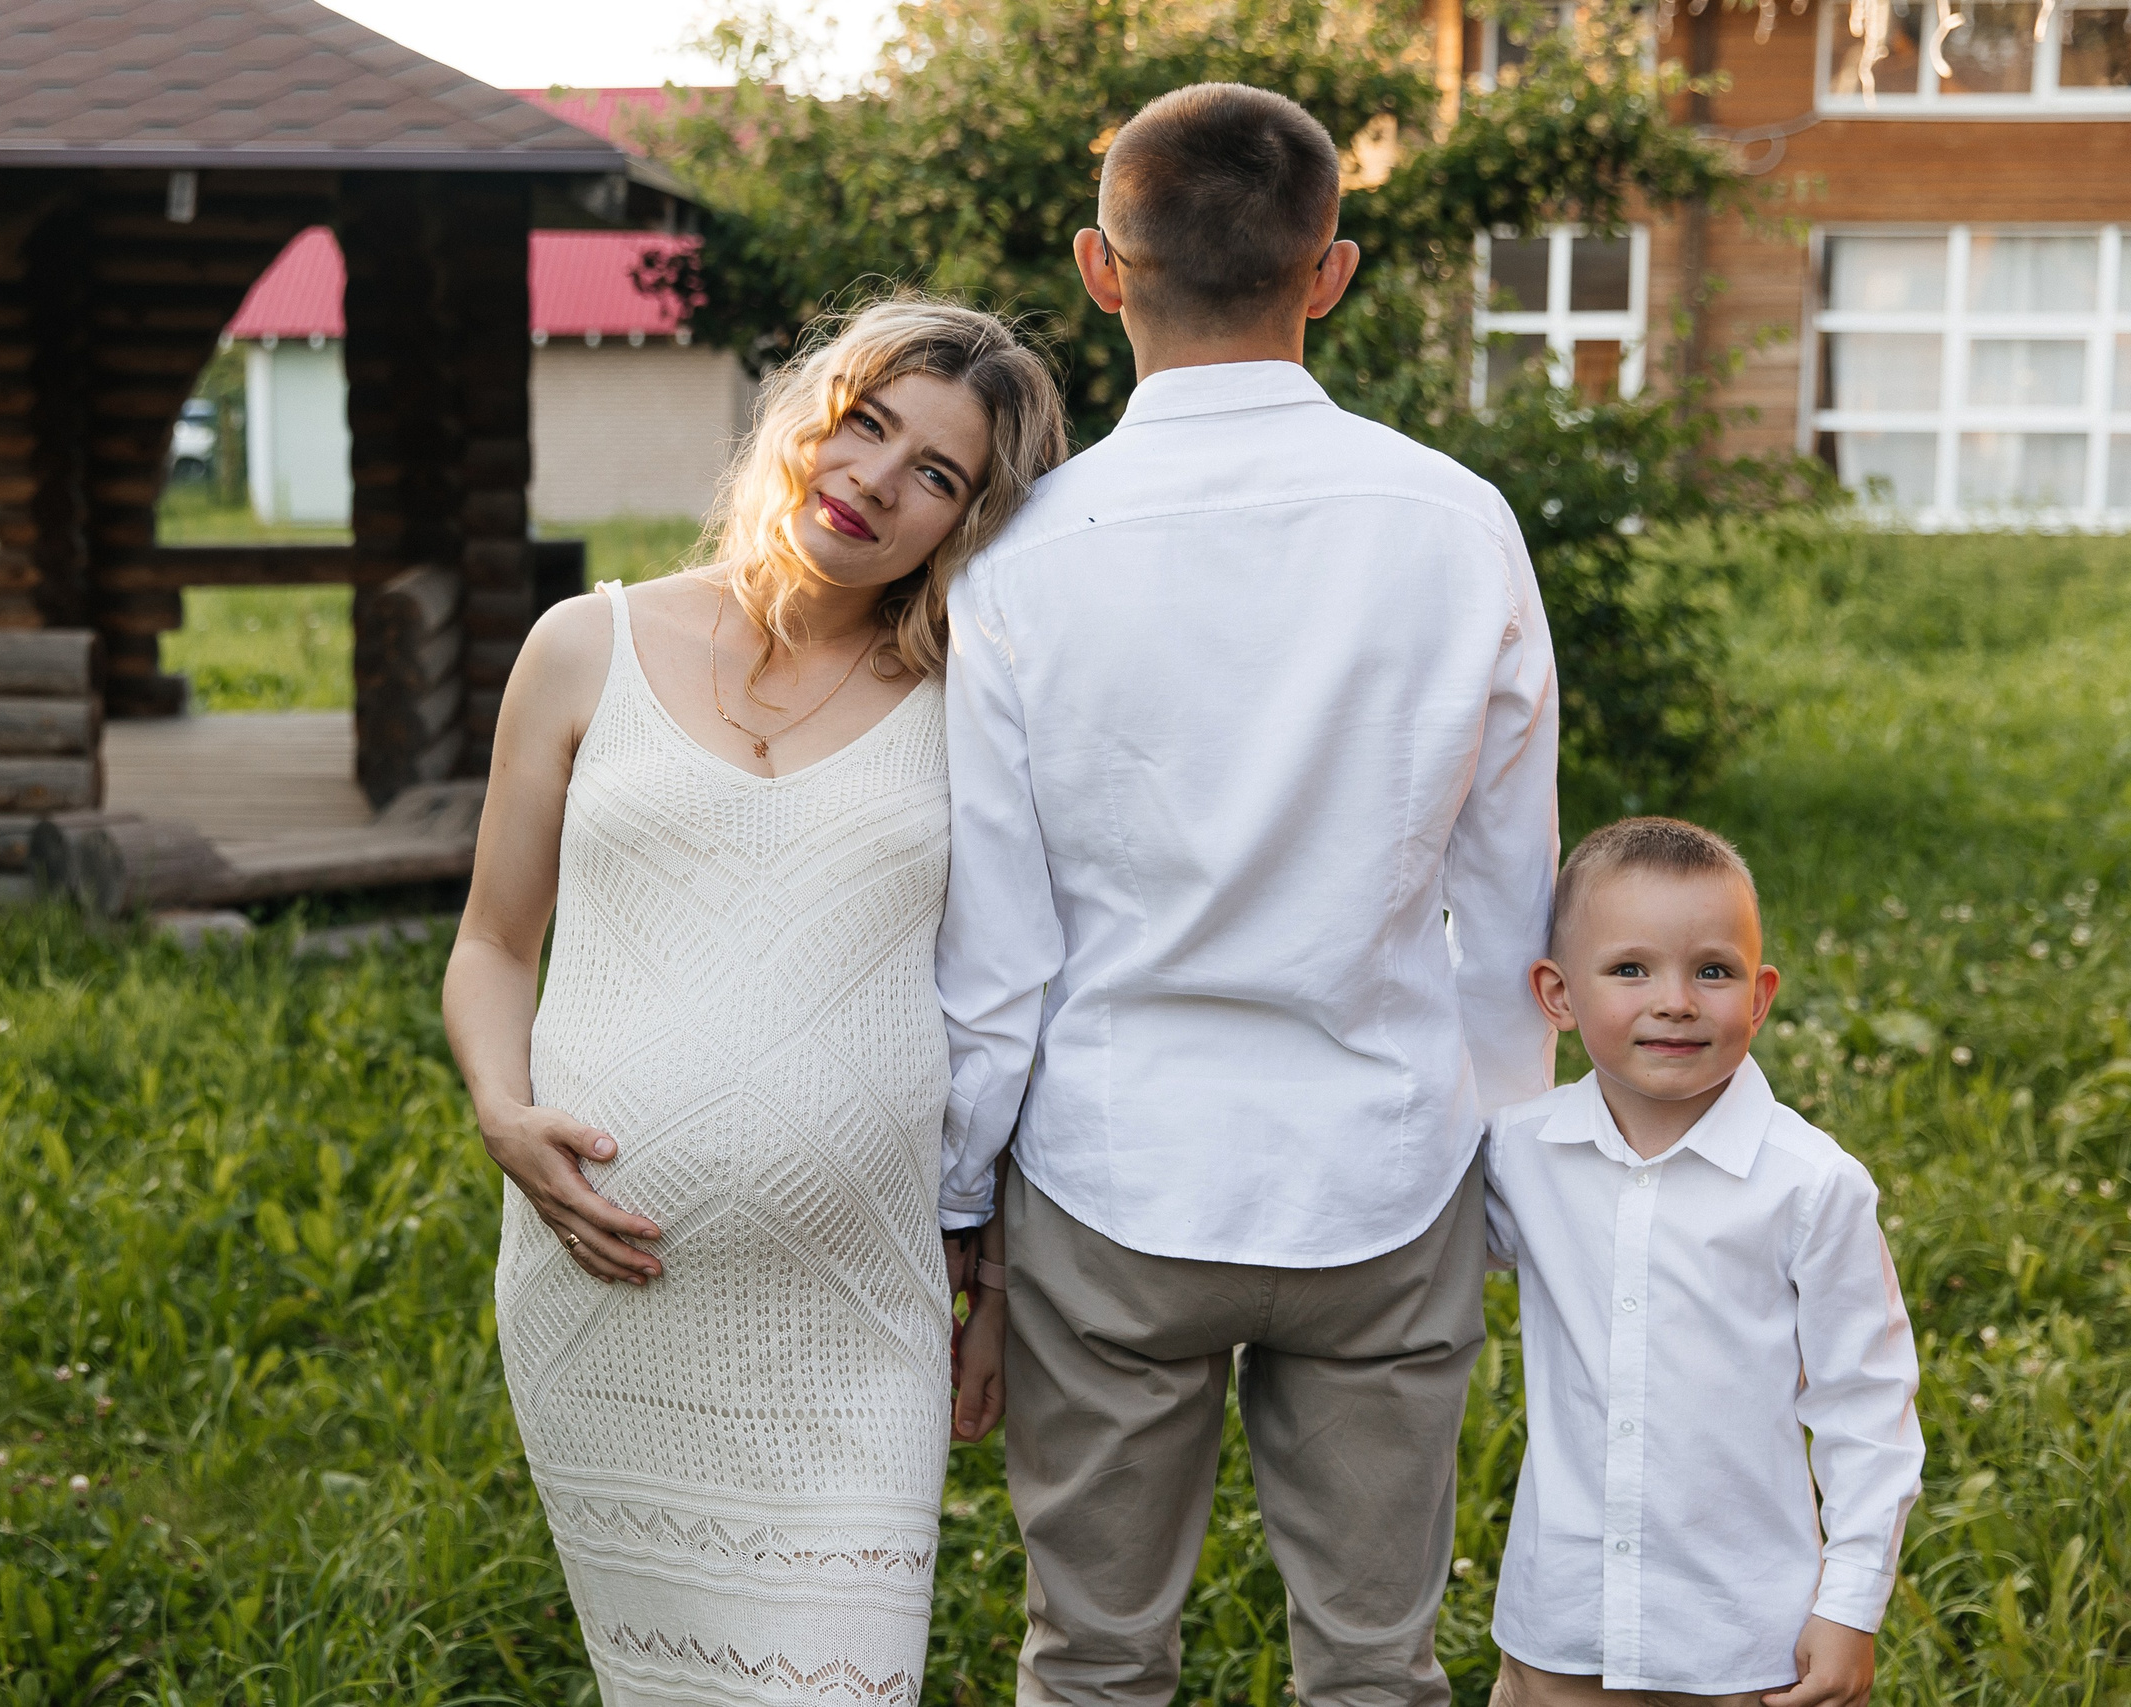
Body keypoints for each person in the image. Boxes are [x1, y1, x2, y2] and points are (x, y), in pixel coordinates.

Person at [936, 83, 1561, 1706]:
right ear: (1330, 271)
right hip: (1387, 1166)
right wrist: (1511, 1172)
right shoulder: (1459, 526)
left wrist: (959, 1214)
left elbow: (997, 956)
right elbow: (1511, 910)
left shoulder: (1021, 560)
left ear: (1098, 266)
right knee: (1374, 1660)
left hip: (1111, 1177)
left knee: (1091, 1657)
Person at [444, 295, 1068, 1707]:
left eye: (937, 475)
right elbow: (492, 941)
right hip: (610, 1302)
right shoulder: (581, 648)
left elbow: (1016, 996)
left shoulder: (970, 700)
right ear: (807, 413)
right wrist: (501, 1108)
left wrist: (1004, 1275)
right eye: (867, 426)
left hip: (862, 1319)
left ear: (965, 522)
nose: (876, 482)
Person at [1484, 818, 1923, 1707]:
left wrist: (1851, 1606)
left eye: (1712, 970)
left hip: (1744, 1645)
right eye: (1631, 968)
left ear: (1759, 996)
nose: (1675, 1000)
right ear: (1557, 993)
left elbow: (1866, 1408)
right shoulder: (1517, 1152)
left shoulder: (1812, 1185)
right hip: (1561, 1632)